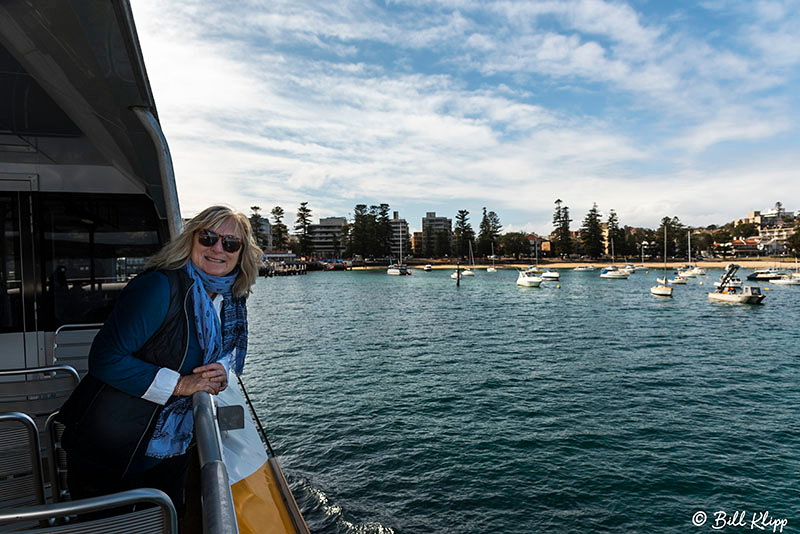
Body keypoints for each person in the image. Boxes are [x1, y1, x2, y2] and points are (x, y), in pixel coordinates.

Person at [57, 205, 262, 517]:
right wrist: (181, 384)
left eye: (230, 243)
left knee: (165, 522)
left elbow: (224, 356)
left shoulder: (231, 298)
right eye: (208, 238)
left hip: (173, 446)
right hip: (112, 445)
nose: (218, 248)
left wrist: (222, 372)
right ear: (191, 240)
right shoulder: (159, 286)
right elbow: (105, 359)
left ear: (241, 252)